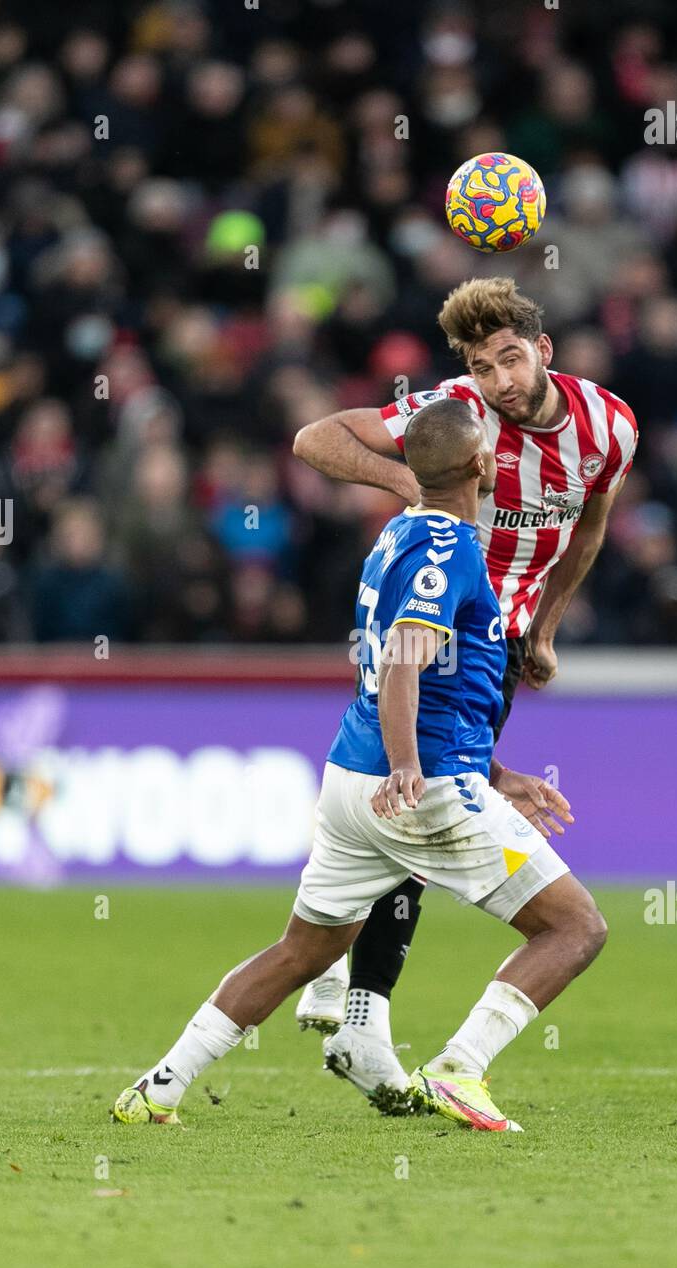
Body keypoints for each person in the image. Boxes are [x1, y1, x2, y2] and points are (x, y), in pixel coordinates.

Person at [111, 397, 607, 1132]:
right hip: (420, 784)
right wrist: (412, 765)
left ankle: (159, 1085)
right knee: (575, 929)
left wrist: (497, 772)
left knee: (302, 952)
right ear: (479, 465)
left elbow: (427, 679)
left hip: (352, 775)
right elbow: (408, 656)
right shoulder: (452, 551)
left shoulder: (396, 535)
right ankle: (460, 1068)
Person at [291, 276, 636, 1101]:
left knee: (417, 807)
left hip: (502, 644)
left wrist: (547, 627)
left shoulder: (609, 426)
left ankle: (348, 1002)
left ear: (543, 351)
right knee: (416, 798)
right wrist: (411, 482)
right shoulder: (455, 410)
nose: (499, 383)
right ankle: (348, 1000)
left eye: (510, 360)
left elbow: (588, 525)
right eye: (483, 367)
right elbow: (314, 438)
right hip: (436, 626)